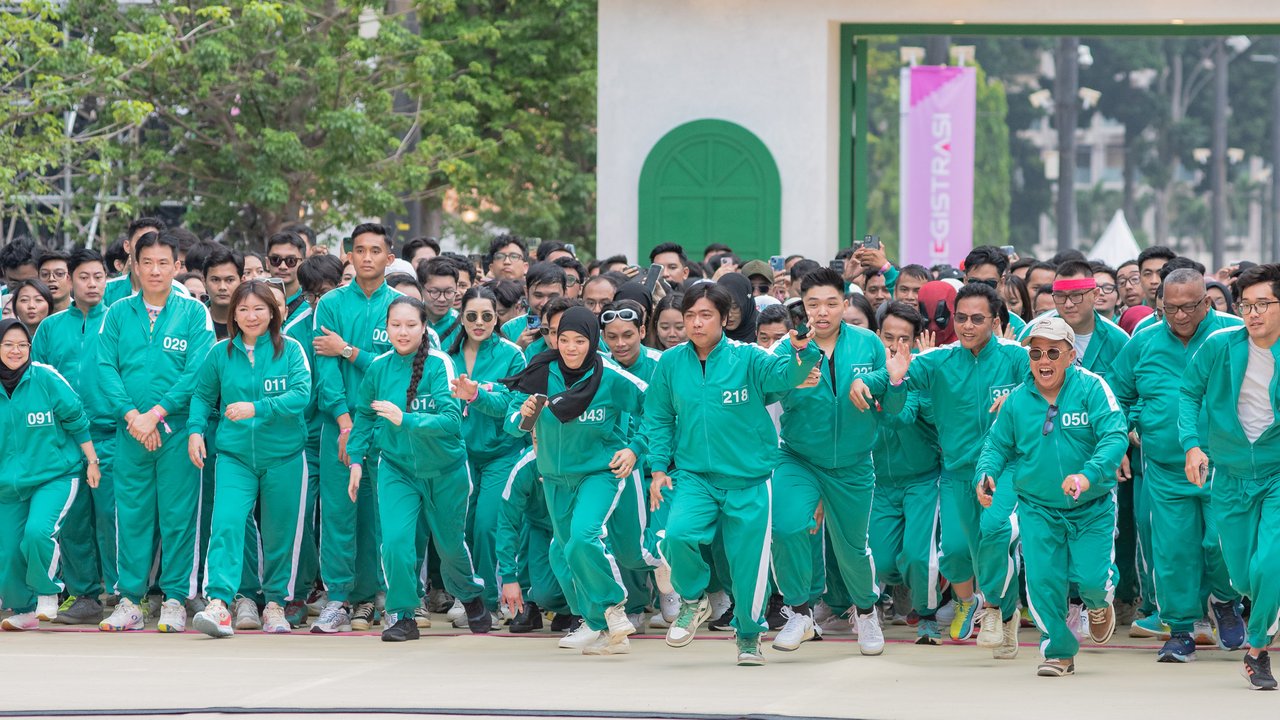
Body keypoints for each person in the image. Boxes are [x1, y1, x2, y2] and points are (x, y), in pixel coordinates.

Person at [642, 283, 820, 665]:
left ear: (725, 319)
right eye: (689, 315)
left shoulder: (749, 358)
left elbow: (787, 374)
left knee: (748, 566)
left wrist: (805, 349)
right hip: (695, 477)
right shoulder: (670, 364)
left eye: (705, 315)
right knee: (676, 536)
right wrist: (658, 468)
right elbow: (657, 418)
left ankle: (749, 636)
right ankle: (693, 600)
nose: (695, 322)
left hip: (749, 481)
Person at [856, 283, 1026, 658]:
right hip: (955, 473)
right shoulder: (940, 360)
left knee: (995, 535)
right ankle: (973, 602)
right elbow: (895, 382)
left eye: (977, 319)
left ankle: (999, 610)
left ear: (995, 321)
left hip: (1003, 470)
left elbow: (1050, 378)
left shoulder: (1015, 356)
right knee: (953, 552)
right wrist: (877, 379)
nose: (967, 326)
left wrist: (1019, 394)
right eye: (961, 318)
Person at [975, 317, 1128, 677]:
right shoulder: (1016, 401)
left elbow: (1115, 435)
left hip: (1092, 507)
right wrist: (986, 475)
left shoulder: (1093, 388)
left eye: (1053, 352)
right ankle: (1058, 652)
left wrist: (1087, 475)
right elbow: (996, 445)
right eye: (1036, 352)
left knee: (1091, 579)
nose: (1044, 361)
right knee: (1043, 582)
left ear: (1071, 355)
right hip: (1037, 507)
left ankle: (1098, 603)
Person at [1110, 267, 1246, 662]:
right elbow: (1116, 395)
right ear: (1159, 305)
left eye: (1190, 307)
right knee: (1173, 553)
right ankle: (1182, 629)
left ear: (1207, 301)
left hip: (1226, 467)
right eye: (1171, 308)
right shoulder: (1144, 342)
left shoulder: (1233, 335)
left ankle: (1224, 600)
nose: (1181, 316)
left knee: (1223, 544)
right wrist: (1121, 437)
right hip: (1166, 469)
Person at [502, 306, 649, 656]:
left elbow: (656, 408)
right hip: (553, 478)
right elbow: (512, 424)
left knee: (584, 538)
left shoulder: (612, 377)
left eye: (579, 341)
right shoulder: (541, 371)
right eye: (563, 339)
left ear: (593, 342)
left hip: (600, 473)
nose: (570, 347)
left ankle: (613, 609)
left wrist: (634, 449)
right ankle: (600, 626)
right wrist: (521, 417)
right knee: (566, 552)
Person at [347, 297, 491, 642]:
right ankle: (403, 615)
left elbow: (452, 421)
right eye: (395, 324)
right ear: (385, 327)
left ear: (424, 327)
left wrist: (405, 419)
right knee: (395, 543)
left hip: (445, 470)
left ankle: (470, 594)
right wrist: (355, 460)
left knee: (450, 547)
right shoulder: (379, 367)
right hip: (397, 469)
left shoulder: (440, 364)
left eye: (411, 324)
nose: (402, 331)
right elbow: (365, 415)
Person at [96, 230, 216, 632]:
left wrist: (157, 415)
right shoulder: (117, 313)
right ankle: (130, 599)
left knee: (179, 518)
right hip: (130, 433)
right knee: (130, 516)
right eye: (146, 262)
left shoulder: (193, 312)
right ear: (133, 264)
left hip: (176, 432)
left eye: (163, 262)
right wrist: (133, 417)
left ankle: (175, 599)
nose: (154, 270)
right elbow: (105, 368)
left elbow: (197, 371)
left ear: (177, 265)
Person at [769, 267, 892, 656]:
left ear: (845, 303)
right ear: (802, 307)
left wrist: (869, 384)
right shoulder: (789, 348)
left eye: (831, 303)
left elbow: (887, 384)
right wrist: (790, 375)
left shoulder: (868, 342)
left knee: (852, 548)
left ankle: (866, 612)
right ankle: (800, 611)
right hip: (798, 457)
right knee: (787, 527)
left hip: (854, 463)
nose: (822, 312)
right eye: (813, 304)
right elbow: (767, 387)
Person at [188, 281, 311, 637]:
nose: (251, 316)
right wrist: (195, 430)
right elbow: (202, 395)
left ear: (272, 312)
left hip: (284, 456)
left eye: (259, 308)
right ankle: (219, 603)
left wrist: (257, 407)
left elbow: (301, 395)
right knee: (225, 523)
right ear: (233, 315)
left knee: (279, 533)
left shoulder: (290, 350)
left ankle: (274, 604)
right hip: (234, 456)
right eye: (243, 309)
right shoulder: (220, 353)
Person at [1179, 264, 1280, 689]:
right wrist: (1192, 444)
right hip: (1231, 475)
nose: (1252, 313)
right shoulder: (1221, 346)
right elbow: (1188, 391)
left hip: (1277, 473)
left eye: (1263, 304)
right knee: (1242, 576)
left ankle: (1257, 651)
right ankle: (1262, 609)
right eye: (1246, 305)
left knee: (1270, 563)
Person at [310, 223, 399, 633]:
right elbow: (324, 369)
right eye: (359, 249)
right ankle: (340, 598)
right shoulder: (330, 304)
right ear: (349, 254)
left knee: (383, 514)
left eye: (375, 250)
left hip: (387, 426)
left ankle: (386, 595)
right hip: (339, 426)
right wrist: (345, 423)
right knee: (339, 514)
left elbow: (392, 368)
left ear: (389, 257)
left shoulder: (399, 307)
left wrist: (349, 350)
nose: (367, 257)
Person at [31, 249, 116, 625]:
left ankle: (125, 592)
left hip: (114, 433)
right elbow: (39, 382)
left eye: (98, 276)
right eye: (84, 277)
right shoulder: (50, 328)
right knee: (75, 520)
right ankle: (84, 594)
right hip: (66, 438)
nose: (92, 283)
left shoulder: (118, 321)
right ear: (69, 281)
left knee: (114, 515)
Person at [0, 319, 101, 631]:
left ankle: (48, 592)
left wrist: (92, 460)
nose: (16, 351)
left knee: (37, 533)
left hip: (56, 474)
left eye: (22, 345)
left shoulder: (44, 377)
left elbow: (75, 417)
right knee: (8, 552)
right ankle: (24, 608)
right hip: (9, 483)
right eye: (8, 344)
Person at [445, 286, 527, 623]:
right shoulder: (445, 356)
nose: (479, 323)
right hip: (458, 455)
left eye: (487, 316)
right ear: (461, 316)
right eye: (472, 316)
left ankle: (491, 602)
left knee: (487, 526)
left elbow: (513, 407)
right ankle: (468, 596)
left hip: (501, 454)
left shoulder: (512, 355)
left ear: (498, 318)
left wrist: (477, 396)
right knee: (460, 527)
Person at [867, 302, 943, 644]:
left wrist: (903, 381)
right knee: (883, 562)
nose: (896, 346)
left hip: (922, 480)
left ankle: (926, 614)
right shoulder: (866, 372)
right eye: (888, 337)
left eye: (904, 339)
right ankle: (906, 587)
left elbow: (902, 416)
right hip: (879, 482)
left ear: (916, 342)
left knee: (918, 555)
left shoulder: (925, 374)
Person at [282, 253, 344, 626]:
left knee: (339, 514)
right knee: (300, 515)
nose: (320, 302)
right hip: (305, 436)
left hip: (344, 430)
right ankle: (300, 590)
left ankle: (346, 592)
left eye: (328, 292)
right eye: (311, 295)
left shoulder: (349, 319)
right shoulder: (294, 332)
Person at [501, 262, 566, 352]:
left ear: (565, 293)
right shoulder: (509, 329)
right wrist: (517, 349)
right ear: (526, 292)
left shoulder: (577, 325)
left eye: (553, 296)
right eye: (538, 295)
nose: (545, 303)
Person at [266, 230, 309, 324]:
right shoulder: (254, 303)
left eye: (291, 261)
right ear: (267, 263)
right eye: (275, 259)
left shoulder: (312, 305)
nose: (282, 267)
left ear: (303, 263)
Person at [418, 257, 461, 349]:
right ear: (421, 288)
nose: (442, 299)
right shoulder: (410, 321)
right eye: (434, 292)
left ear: (456, 288)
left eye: (449, 292)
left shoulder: (463, 325)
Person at [203, 247, 244, 340]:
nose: (222, 287)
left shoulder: (252, 321)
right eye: (215, 280)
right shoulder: (194, 318)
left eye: (229, 280)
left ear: (242, 281)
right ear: (204, 282)